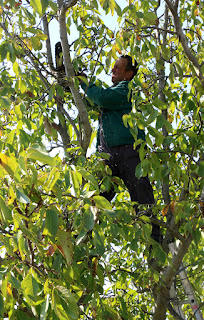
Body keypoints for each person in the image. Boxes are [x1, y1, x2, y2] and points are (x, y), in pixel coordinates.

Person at [80, 55, 161, 243]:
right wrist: (73, 84)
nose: (112, 70)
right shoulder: (111, 98)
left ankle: (156, 243)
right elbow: (89, 102)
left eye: (117, 68)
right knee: (97, 199)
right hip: (109, 157)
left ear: (128, 74)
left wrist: (83, 81)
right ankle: (83, 237)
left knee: (143, 198)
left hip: (128, 153)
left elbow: (100, 97)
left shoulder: (126, 90)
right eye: (113, 67)